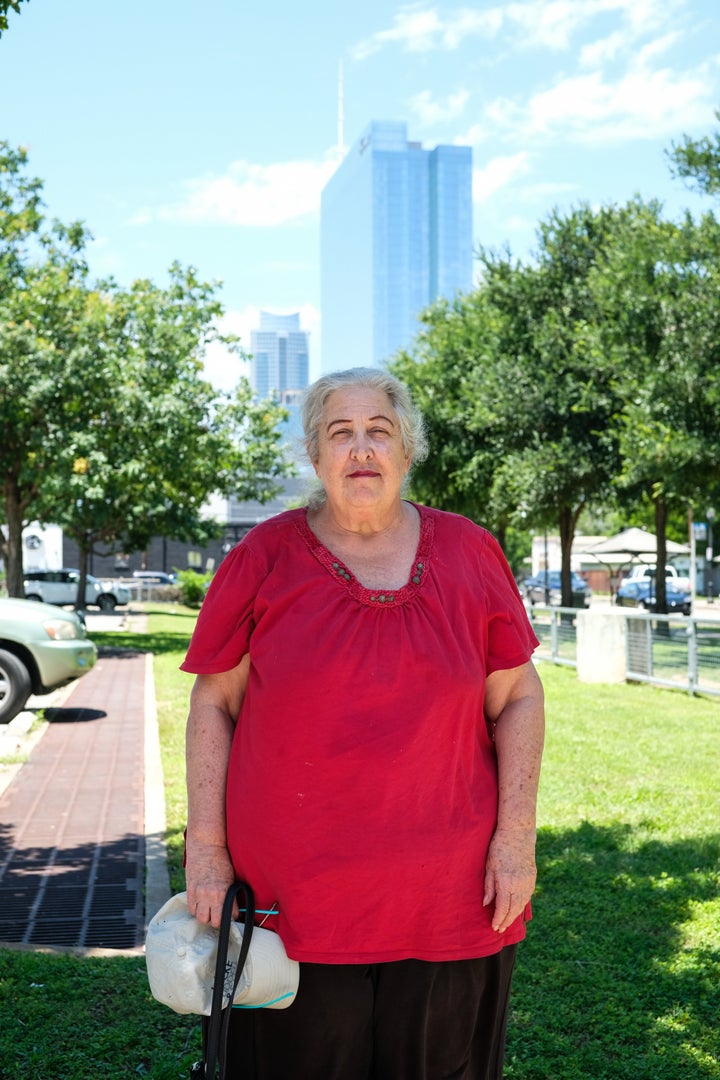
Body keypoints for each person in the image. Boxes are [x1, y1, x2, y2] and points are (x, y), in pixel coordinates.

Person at [181, 367, 545, 1079]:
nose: (361, 449)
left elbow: (519, 698)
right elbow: (213, 705)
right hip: (294, 902)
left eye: (379, 431)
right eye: (339, 433)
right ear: (315, 457)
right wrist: (206, 850)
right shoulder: (262, 558)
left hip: (450, 897)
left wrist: (515, 841)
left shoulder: (471, 552)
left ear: (407, 450)